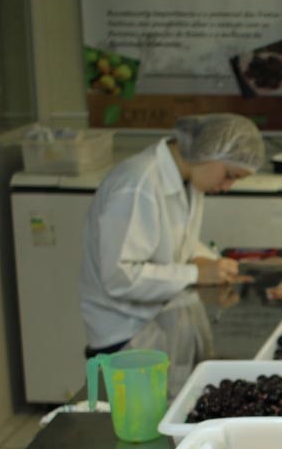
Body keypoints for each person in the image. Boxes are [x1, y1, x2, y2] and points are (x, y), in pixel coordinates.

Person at [79, 113, 265, 361]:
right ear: (210, 152)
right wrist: (196, 273)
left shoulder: (188, 180)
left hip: (160, 321)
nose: (227, 186)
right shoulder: (137, 183)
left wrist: (208, 261)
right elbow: (119, 277)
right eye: (230, 175)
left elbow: (173, 239)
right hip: (125, 336)